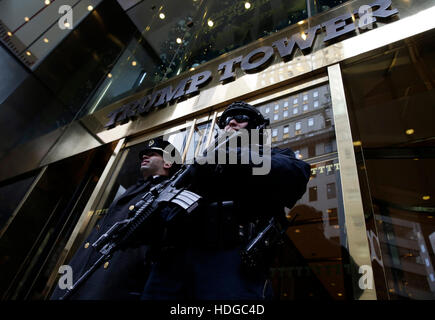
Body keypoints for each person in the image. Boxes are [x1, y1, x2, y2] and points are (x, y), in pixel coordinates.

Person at [140, 101, 311, 300]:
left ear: (255, 129)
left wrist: (231, 156)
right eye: (227, 121)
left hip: (232, 261)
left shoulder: (270, 155)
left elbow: (296, 174)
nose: (232, 122)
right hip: (175, 262)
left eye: (241, 119)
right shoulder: (198, 166)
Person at [50, 138, 180, 300]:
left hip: (110, 278)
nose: (145, 157)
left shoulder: (170, 192)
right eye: (144, 155)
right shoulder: (135, 189)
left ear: (168, 163)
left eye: (152, 154)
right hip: (82, 268)